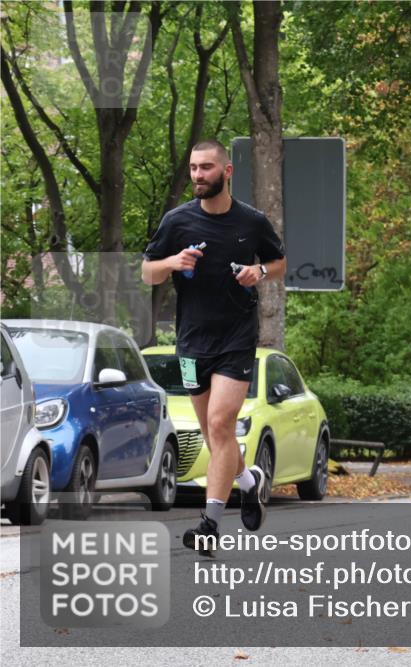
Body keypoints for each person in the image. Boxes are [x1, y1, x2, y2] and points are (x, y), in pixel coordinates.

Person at [142, 139, 286, 555]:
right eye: (192, 168)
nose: (198, 176)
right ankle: (248, 481)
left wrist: (259, 271)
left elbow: (279, 263)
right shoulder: (177, 221)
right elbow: (147, 272)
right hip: (191, 340)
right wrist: (172, 263)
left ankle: (209, 523)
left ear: (227, 171)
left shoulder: (252, 222)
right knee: (212, 433)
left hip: (236, 338)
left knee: (222, 424)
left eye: (206, 167)